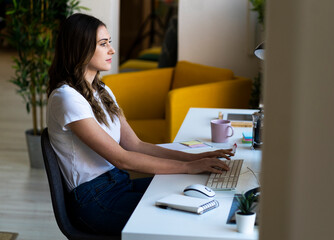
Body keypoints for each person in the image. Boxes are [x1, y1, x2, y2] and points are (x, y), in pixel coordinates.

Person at [47, 13, 232, 236]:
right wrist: (187, 167)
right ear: (80, 48)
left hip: (119, 183)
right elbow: (121, 157)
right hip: (95, 200)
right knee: (182, 218)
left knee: (190, 188)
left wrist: (196, 159)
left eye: (109, 43)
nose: (112, 51)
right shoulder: (67, 98)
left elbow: (136, 145)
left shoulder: (102, 91)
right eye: (103, 44)